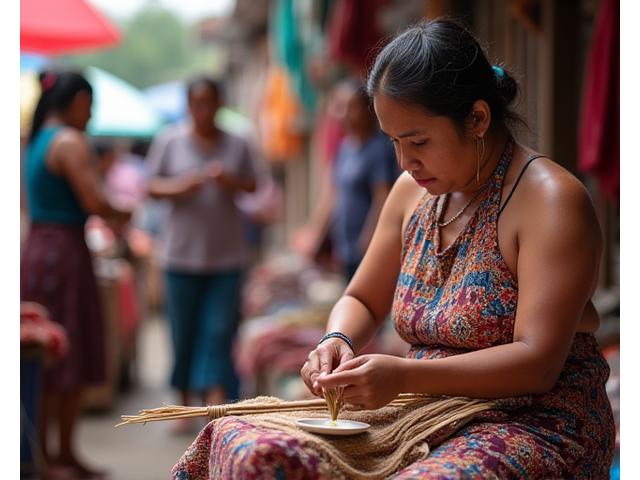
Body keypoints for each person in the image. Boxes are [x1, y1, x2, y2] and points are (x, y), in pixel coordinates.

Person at [172, 19, 614, 479]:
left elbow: (536, 362)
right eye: (394, 143)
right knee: (243, 445)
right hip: (423, 410)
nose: (404, 162)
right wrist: (336, 340)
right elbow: (362, 298)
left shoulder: (549, 201)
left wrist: (403, 376)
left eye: (419, 141)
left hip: (534, 423)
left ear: (478, 118)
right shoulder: (413, 193)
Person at [21, 70, 130, 479]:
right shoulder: (68, 141)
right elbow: (96, 201)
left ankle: (60, 452)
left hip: (43, 249)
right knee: (61, 353)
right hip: (62, 253)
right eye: (90, 103)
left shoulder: (38, 141)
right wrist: (127, 208)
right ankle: (50, 456)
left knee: (58, 351)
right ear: (74, 101)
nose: (93, 113)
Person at [146, 75, 257, 432]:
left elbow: (254, 184)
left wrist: (230, 182)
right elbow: (150, 186)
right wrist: (180, 187)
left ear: (220, 104)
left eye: (210, 103)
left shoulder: (237, 143)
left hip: (226, 258)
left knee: (219, 331)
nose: (203, 111)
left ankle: (213, 406)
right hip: (179, 258)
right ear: (188, 106)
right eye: (197, 104)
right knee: (183, 331)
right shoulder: (169, 140)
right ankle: (183, 406)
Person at [293, 80, 400, 280]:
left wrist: (370, 239)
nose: (344, 114)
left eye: (352, 107)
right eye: (340, 107)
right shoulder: (345, 148)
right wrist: (317, 235)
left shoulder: (379, 149)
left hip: (367, 247)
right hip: (345, 246)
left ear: (369, 109)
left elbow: (383, 197)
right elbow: (333, 194)